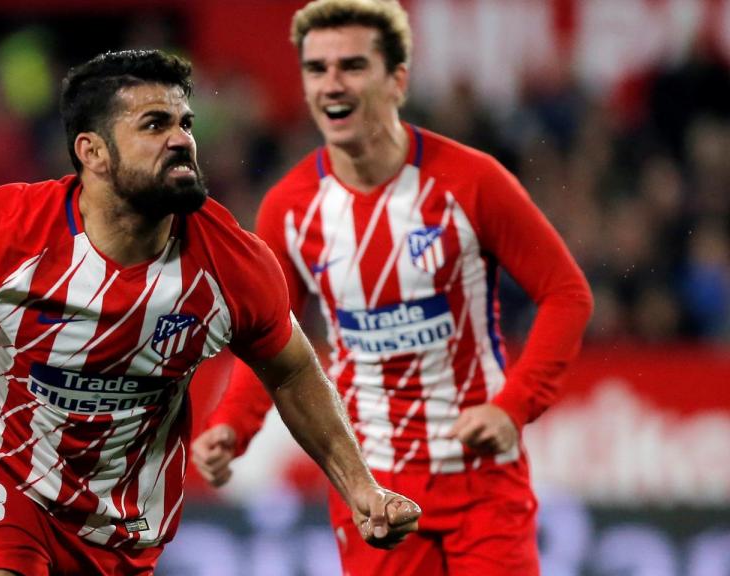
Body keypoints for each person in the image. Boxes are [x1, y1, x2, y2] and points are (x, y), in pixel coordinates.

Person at [0, 49, 420, 576]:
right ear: (92, 152)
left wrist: (360, 488)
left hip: (121, 529)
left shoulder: (233, 264)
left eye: (185, 121)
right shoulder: (6, 229)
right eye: (154, 124)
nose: (181, 139)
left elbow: (290, 370)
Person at [191, 1, 594, 575]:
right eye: (316, 68)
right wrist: (234, 423)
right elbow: (270, 335)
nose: (332, 83)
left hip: (482, 480)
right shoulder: (290, 207)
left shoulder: (471, 182)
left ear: (396, 79)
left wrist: (513, 407)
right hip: (371, 484)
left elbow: (567, 294)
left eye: (352, 65)